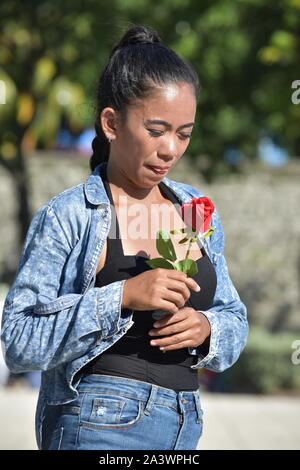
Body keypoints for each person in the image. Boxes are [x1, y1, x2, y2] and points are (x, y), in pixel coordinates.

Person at [0, 25, 248, 451]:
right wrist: (122, 296)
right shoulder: (70, 215)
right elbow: (19, 341)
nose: (171, 149)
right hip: (97, 425)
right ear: (111, 123)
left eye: (184, 133)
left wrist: (207, 327)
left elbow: (235, 316)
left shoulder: (195, 210)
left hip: (184, 424)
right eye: (156, 130)